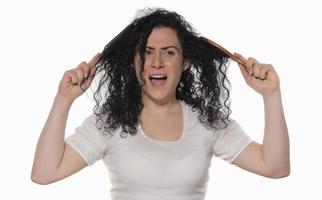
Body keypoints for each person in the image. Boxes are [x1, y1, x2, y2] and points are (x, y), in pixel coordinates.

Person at [31, 8, 290, 200]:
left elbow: (275, 167)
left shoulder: (207, 122)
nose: (157, 62)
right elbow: (45, 173)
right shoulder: (111, 121)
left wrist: (271, 95)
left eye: (169, 52)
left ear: (185, 62)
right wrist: (63, 100)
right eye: (147, 51)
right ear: (134, 62)